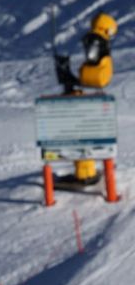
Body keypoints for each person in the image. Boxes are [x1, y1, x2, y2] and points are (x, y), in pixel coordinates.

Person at [54, 11, 119, 187]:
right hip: (87, 92)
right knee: (82, 132)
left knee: (81, 132)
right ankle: (85, 173)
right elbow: (93, 70)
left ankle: (86, 171)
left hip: (85, 93)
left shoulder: (94, 39)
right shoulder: (97, 41)